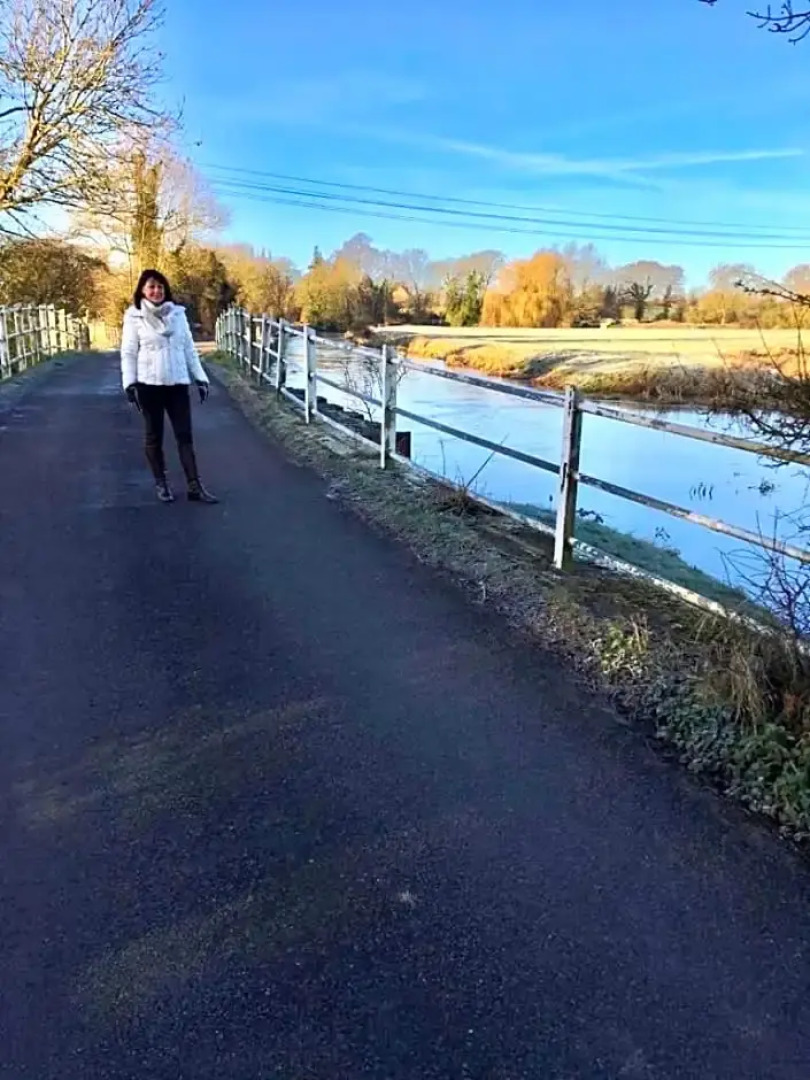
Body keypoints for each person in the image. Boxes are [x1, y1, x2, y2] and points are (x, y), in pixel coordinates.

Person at [121, 269, 218, 504]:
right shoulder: (134, 316)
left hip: (177, 383)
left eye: (160, 287)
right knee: (154, 436)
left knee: (185, 436)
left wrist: (201, 378)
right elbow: (129, 352)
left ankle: (195, 486)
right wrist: (130, 383)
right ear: (143, 290)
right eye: (151, 287)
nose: (156, 291)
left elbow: (188, 349)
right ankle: (161, 484)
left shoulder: (178, 315)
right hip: (149, 385)